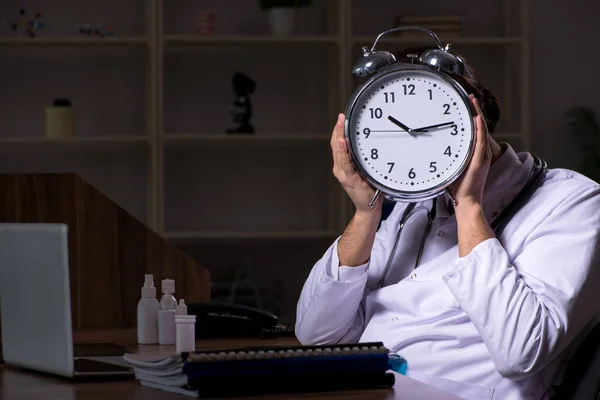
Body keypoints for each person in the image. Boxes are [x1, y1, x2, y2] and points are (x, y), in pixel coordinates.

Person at [295, 55, 600, 400]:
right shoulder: (413, 205)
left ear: (475, 118)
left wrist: (469, 206)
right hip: (368, 388)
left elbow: (522, 353)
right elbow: (317, 335)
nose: (412, 140)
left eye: (433, 119)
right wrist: (366, 212)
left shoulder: (572, 200)